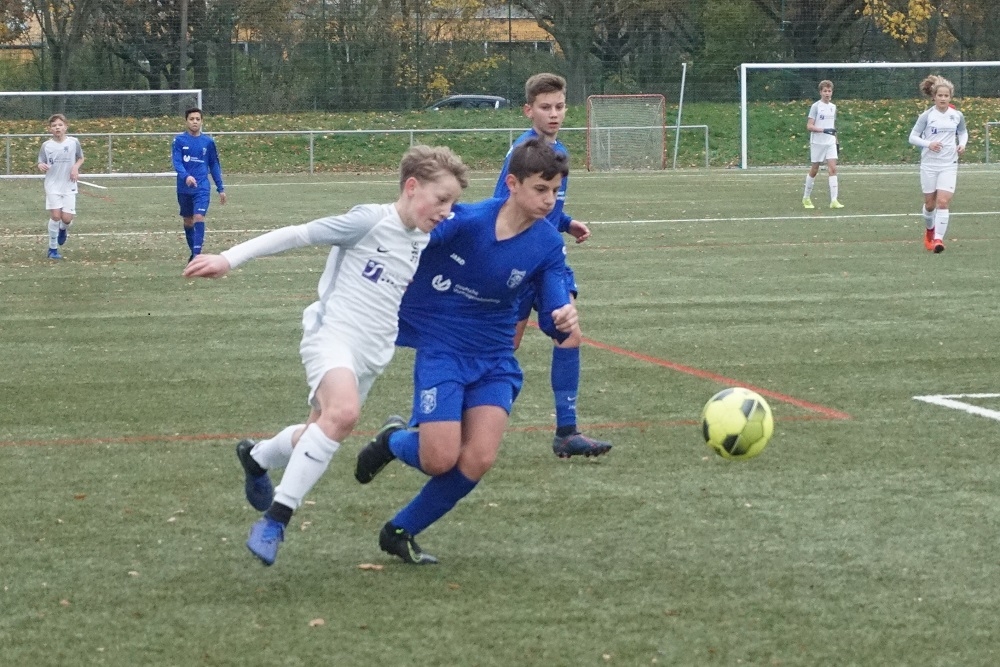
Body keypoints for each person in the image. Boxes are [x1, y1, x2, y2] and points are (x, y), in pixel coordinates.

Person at [182, 145, 469, 566]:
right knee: (344, 413)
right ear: (412, 187)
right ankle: (275, 519)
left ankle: (256, 456)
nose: (446, 211)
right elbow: (299, 234)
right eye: (441, 199)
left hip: (373, 353)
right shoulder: (369, 221)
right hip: (332, 335)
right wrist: (229, 258)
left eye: (452, 203)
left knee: (316, 432)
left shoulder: (422, 237)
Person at [354, 138, 579, 565]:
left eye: (555, 190)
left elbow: (552, 310)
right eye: (540, 189)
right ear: (512, 184)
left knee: (477, 458)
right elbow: (408, 239)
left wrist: (561, 316)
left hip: (495, 359)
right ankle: (392, 441)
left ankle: (399, 530)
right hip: (443, 350)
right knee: (439, 458)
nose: (550, 200)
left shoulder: (548, 244)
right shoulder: (466, 220)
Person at [492, 72, 611, 459]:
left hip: (549, 263)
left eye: (559, 106)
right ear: (529, 111)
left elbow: (546, 209)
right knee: (502, 347)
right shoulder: (522, 154)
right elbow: (504, 207)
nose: (554, 114)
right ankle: (459, 420)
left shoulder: (558, 152)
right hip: (517, 262)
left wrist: (566, 222)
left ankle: (567, 432)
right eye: (546, 107)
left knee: (569, 332)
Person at [908, 75, 967, 254]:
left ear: (950, 97)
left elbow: (963, 132)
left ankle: (938, 240)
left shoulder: (956, 115)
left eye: (946, 96)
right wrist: (929, 144)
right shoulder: (927, 116)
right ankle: (929, 231)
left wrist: (962, 144)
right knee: (930, 205)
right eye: (940, 95)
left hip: (949, 164)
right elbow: (912, 137)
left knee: (943, 202)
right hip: (929, 165)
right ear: (934, 97)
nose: (943, 98)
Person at [172, 107, 227, 263]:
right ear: (186, 121)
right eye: (191, 119)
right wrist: (186, 176)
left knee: (198, 216)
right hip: (184, 188)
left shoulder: (208, 142)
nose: (195, 122)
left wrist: (220, 188)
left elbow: (214, 165)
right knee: (188, 221)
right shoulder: (179, 141)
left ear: (202, 121)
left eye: (197, 119)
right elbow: (177, 162)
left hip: (202, 187)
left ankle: (197, 256)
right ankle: (193, 251)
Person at [37, 114, 85, 260]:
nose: (57, 128)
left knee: (67, 219)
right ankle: (52, 249)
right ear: (50, 129)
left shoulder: (73, 142)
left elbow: (80, 158)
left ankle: (63, 229)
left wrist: (75, 167)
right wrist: (41, 165)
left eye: (60, 125)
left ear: (65, 127)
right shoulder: (46, 145)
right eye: (54, 125)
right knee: (56, 216)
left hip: (69, 184)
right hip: (52, 185)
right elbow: (40, 161)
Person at [802, 80, 843, 210]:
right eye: (825, 91)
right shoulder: (816, 107)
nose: (827, 93)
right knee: (815, 169)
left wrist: (836, 140)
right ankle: (806, 197)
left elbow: (833, 126)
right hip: (817, 142)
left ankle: (834, 200)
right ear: (820, 92)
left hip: (830, 142)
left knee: (833, 169)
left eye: (829, 91)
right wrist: (823, 130)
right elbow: (809, 126)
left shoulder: (833, 107)